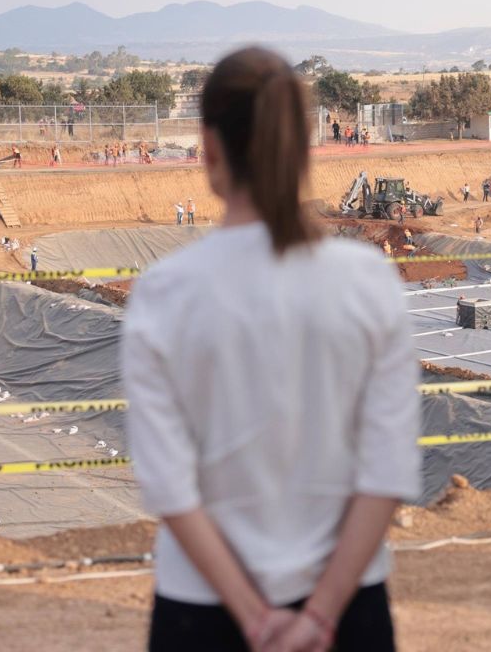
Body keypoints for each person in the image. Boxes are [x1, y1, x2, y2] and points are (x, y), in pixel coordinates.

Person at [124, 47, 419, 652]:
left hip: (202, 613)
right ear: (304, 151)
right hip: (348, 612)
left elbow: (170, 489)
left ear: (209, 151)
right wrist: (320, 618)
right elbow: (385, 473)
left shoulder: (163, 294)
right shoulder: (369, 282)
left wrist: (255, 621)